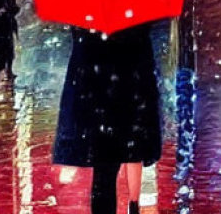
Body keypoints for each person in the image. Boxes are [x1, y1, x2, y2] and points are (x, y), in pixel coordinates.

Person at [53, 22, 162, 214]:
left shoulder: (87, 16)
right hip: (126, 97)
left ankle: (127, 205)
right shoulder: (134, 15)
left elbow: (81, 53)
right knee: (111, 167)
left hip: (100, 101)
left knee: (104, 172)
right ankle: (133, 204)